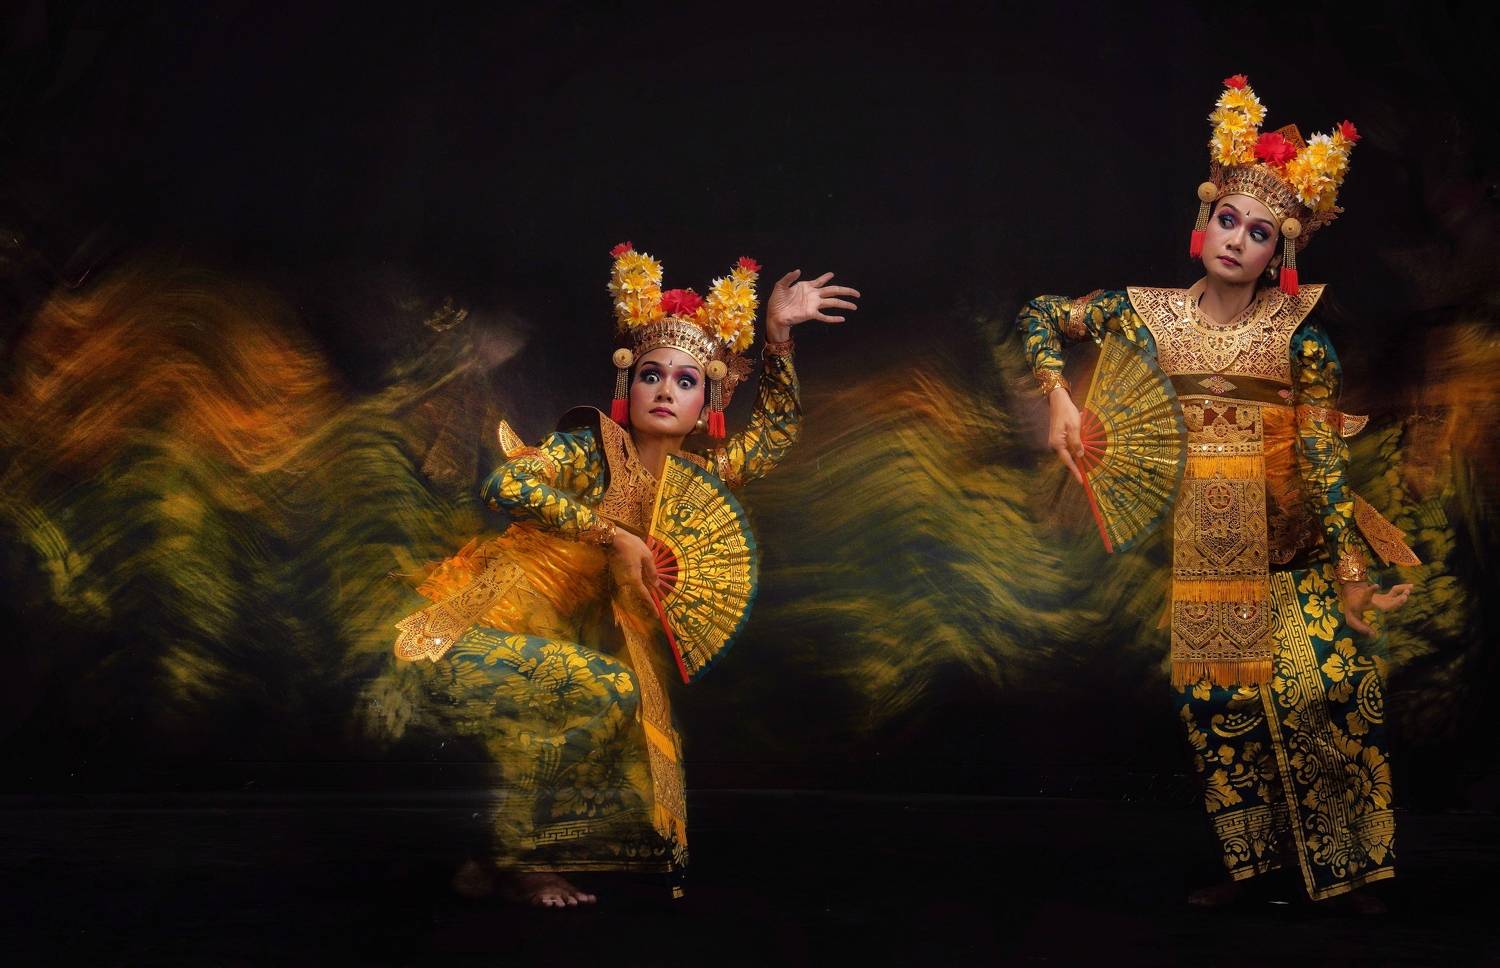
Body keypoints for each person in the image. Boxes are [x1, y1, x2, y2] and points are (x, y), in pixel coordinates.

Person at [1017, 76, 1416, 908]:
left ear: (1281, 254)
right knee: (1219, 711)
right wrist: (1058, 397)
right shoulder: (1142, 314)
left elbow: (1323, 461)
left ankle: (1351, 876)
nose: (1237, 240)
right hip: (1204, 556)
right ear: (1206, 221)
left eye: (1260, 233)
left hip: (1294, 551)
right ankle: (1256, 872)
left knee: (1327, 695)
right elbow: (1040, 314)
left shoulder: (1301, 342)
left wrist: (1351, 568)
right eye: (1228, 220)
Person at [392, 243, 858, 907]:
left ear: (709, 401)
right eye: (651, 375)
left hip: (565, 645)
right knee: (603, 691)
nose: (666, 390)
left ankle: (492, 858)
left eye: (686, 381)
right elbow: (506, 484)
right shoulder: (590, 451)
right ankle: (521, 863)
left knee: (618, 712)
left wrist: (779, 337)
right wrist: (610, 533)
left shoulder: (696, 480)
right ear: (626, 386)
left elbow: (776, 436)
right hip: (481, 628)